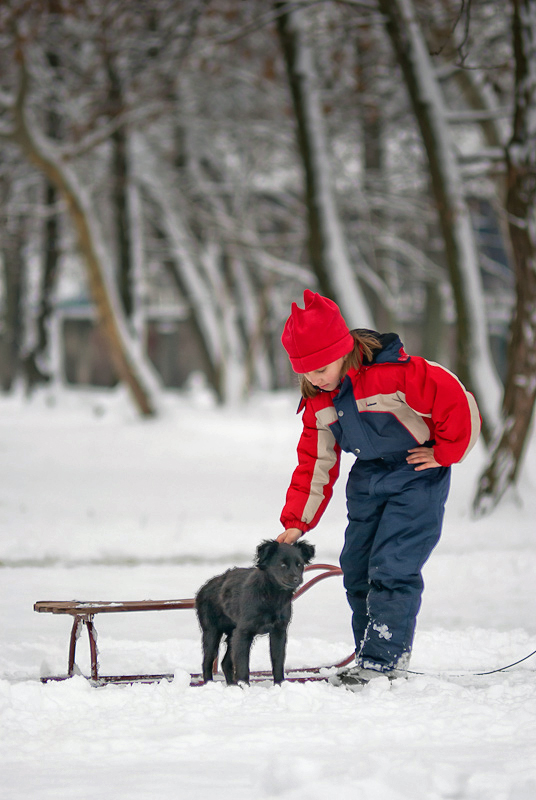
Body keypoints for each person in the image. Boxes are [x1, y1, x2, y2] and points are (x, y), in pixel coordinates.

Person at [276, 290, 481, 687]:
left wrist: (444, 453)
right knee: (357, 566)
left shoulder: (394, 374)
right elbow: (314, 462)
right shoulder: (320, 401)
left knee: (393, 566)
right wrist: (297, 521)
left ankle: (383, 662)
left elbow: (458, 401)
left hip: (417, 474)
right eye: (307, 371)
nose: (316, 378)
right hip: (369, 478)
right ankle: (369, 656)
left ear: (343, 350)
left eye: (322, 367)